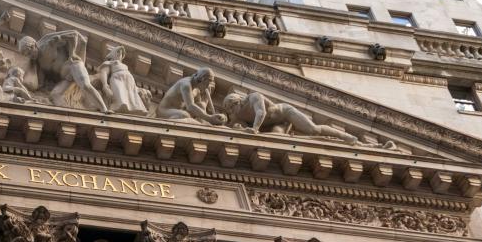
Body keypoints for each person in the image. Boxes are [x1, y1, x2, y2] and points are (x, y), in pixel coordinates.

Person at [15, 30, 108, 112]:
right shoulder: (37, 62)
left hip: (72, 66)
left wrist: (72, 54)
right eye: (27, 55)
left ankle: (104, 109)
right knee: (54, 95)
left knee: (86, 85)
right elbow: (38, 82)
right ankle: (69, 116)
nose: (30, 56)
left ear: (34, 45)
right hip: (65, 78)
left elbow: (73, 34)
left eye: (30, 52)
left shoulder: (49, 42)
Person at [221, 90, 362, 144]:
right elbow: (231, 125)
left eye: (232, 107)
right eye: (230, 109)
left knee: (313, 130)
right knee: (276, 138)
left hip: (285, 114)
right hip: (274, 125)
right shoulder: (238, 113)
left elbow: (261, 113)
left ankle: (347, 137)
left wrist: (255, 129)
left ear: (237, 101)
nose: (232, 111)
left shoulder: (253, 97)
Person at [154, 68, 226, 124]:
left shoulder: (196, 89)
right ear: (202, 80)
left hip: (178, 110)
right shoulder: (186, 85)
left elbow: (199, 107)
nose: (208, 87)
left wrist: (206, 101)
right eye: (208, 83)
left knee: (197, 109)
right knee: (184, 115)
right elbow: (190, 106)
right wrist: (209, 118)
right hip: (164, 111)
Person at [94, 45, 146, 114]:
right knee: (119, 92)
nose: (119, 54)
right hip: (117, 79)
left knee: (131, 96)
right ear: (113, 53)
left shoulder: (124, 66)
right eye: (117, 52)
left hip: (129, 83)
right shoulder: (110, 63)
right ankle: (118, 108)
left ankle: (134, 108)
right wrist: (105, 85)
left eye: (121, 53)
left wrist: (136, 88)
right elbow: (104, 72)